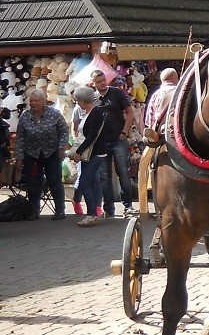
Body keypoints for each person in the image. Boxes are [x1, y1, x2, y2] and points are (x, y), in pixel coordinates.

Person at [12, 88, 69, 220]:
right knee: (33, 183)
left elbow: (64, 131)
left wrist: (61, 148)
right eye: (31, 101)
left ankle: (60, 210)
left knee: (55, 181)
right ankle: (34, 211)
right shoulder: (25, 116)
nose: (33, 103)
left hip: (52, 152)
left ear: (43, 101)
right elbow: (20, 138)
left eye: (36, 100)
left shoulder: (54, 114)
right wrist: (19, 158)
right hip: (32, 154)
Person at [90, 69, 135, 217]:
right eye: (98, 81)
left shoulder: (116, 93)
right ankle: (109, 209)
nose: (102, 83)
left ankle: (128, 206)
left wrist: (124, 132)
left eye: (103, 80)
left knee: (123, 173)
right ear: (93, 83)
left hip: (118, 140)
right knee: (104, 177)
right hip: (101, 143)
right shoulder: (93, 98)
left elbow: (130, 112)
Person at [68, 86, 109, 226]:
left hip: (95, 153)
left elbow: (92, 136)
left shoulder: (95, 113)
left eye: (78, 100)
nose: (77, 103)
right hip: (90, 153)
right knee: (88, 181)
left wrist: (79, 151)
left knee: (85, 182)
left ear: (83, 100)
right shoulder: (88, 112)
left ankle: (92, 214)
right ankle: (93, 212)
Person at [146, 68, 179, 135]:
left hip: (160, 133)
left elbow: (149, 121)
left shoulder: (155, 94)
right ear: (174, 77)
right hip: (177, 131)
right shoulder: (179, 92)